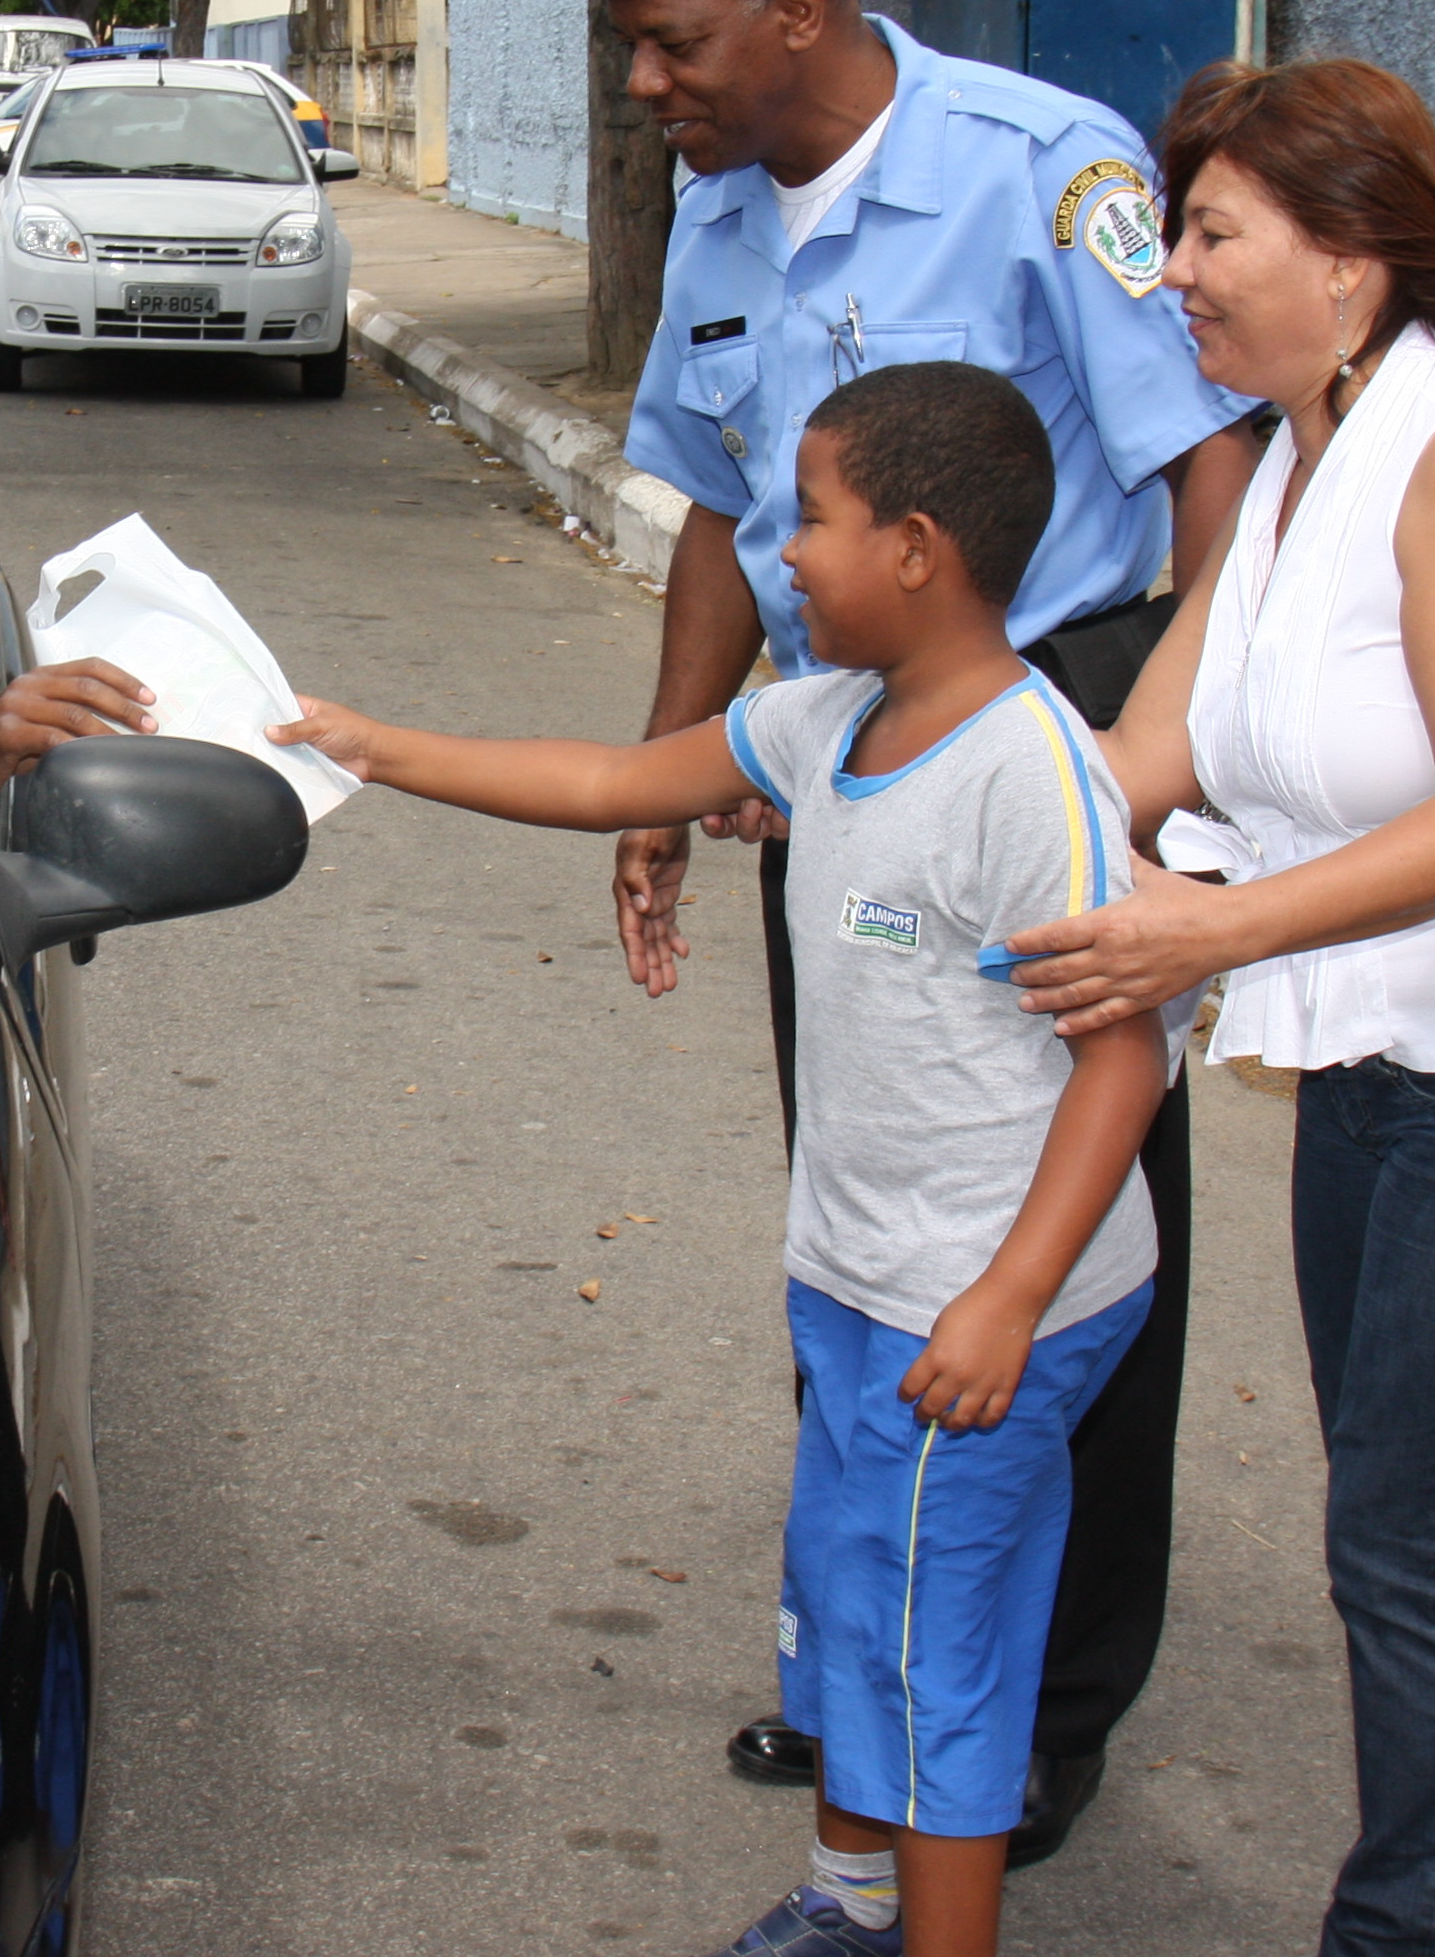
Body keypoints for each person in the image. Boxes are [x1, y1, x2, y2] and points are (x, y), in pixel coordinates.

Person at [270, 362, 1164, 1957]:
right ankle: (850, 1896)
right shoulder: (833, 725)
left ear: (916, 547)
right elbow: (615, 782)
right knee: (844, 1595)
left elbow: (1125, 1054)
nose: (781, 555)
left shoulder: (1035, 776)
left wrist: (1010, 1299)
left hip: (975, 1309)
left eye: (808, 521)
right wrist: (368, 744)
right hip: (861, 1279)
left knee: (927, 1658)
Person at [567, 0, 1256, 1858]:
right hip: (842, 755)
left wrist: (1152, 758)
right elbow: (715, 510)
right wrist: (679, 772)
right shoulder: (718, 215)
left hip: (1051, 753)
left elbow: (1205, 468)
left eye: (669, 42)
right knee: (872, 1210)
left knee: (1073, 1212)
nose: (646, 89)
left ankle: (1046, 1697)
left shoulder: (1048, 166)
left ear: (795, 5)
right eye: (625, 49)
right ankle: (874, 1660)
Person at [1001, 59, 1435, 1957]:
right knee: (1422, 1513)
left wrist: (1199, 937)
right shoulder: (1296, 464)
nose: (1176, 279)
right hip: (1379, 1078)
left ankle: (1411, 1926)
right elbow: (1141, 747)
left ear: (1353, 259)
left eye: (1213, 235)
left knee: (1403, 1529)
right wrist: (919, 818)